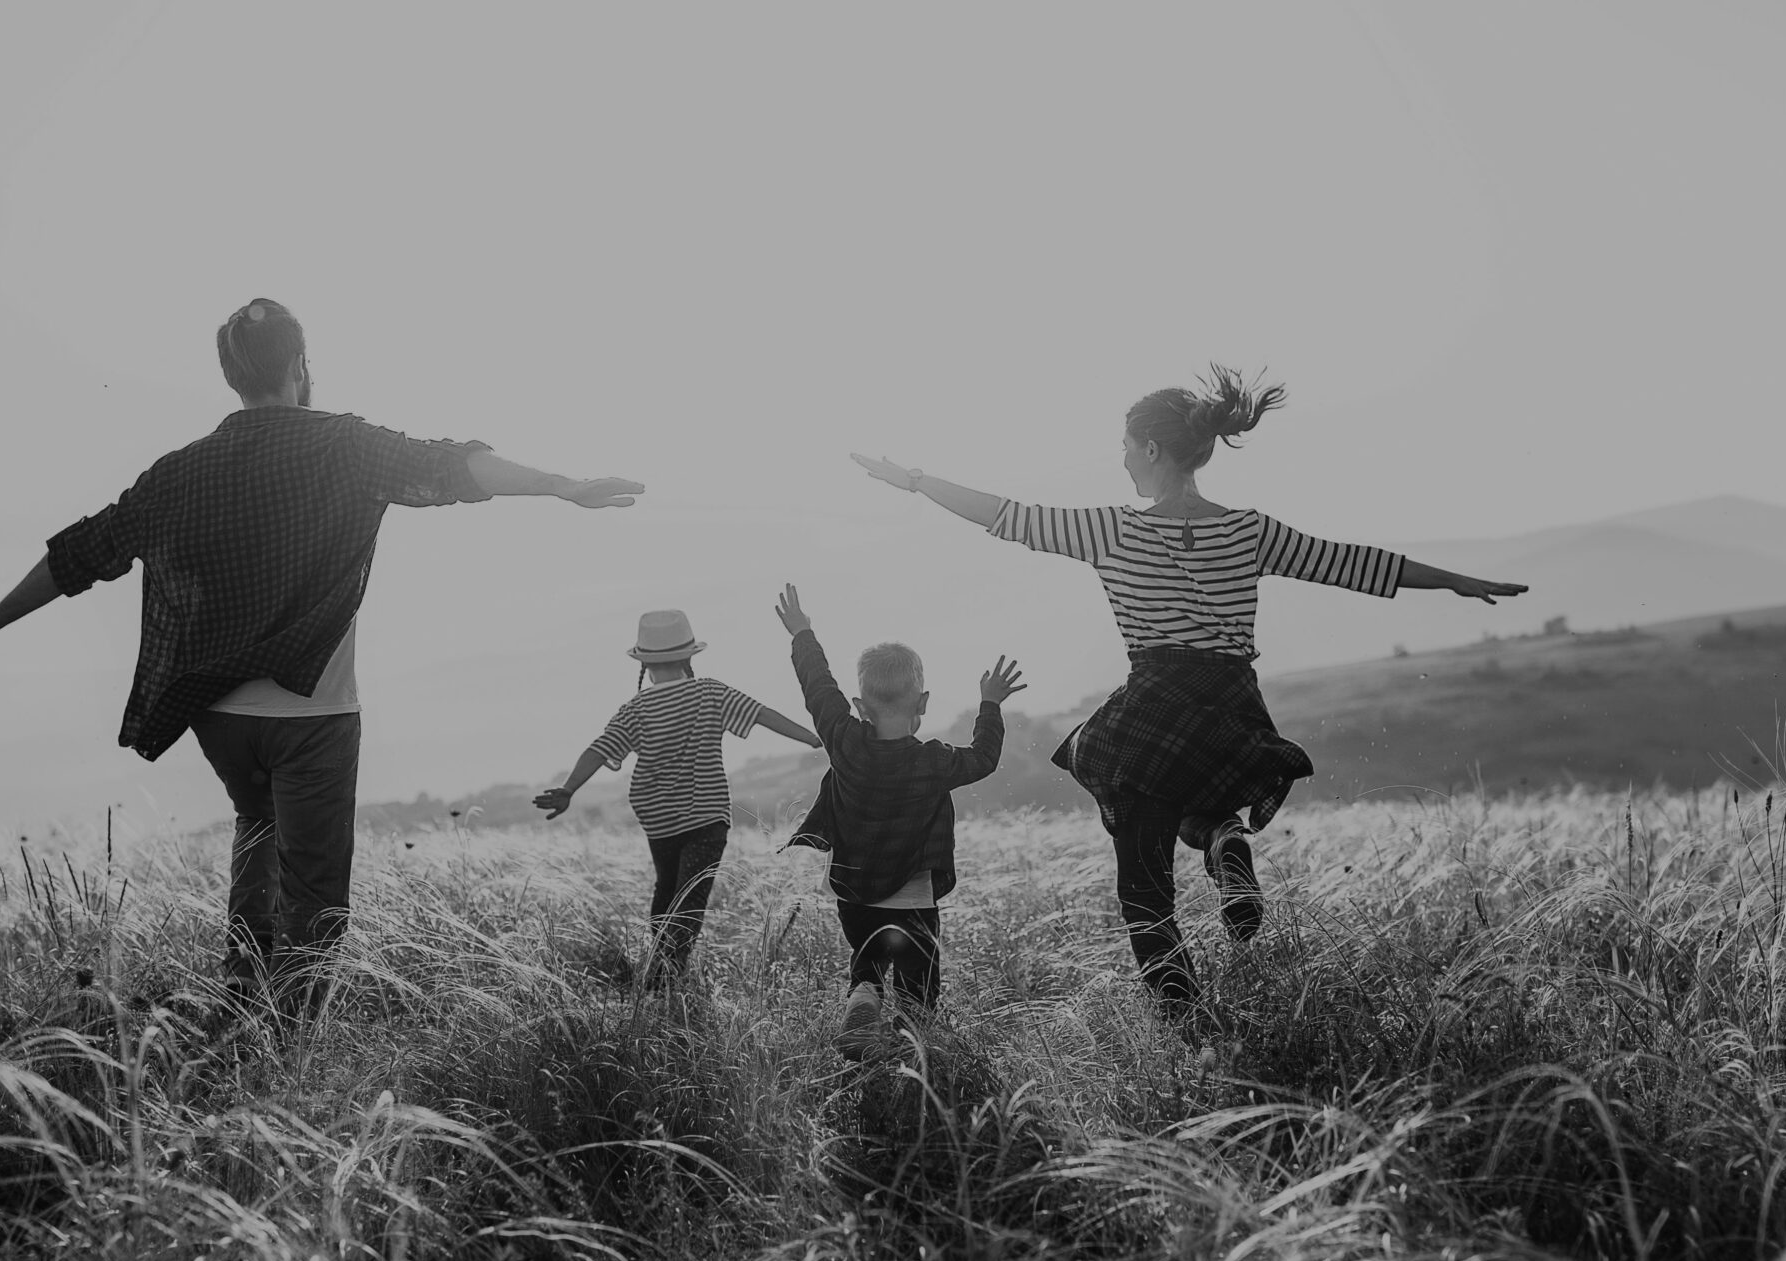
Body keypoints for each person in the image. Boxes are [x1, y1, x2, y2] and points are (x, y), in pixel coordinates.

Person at [0, 298, 644, 1018]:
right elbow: (454, 466)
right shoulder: (346, 446)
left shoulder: (180, 472)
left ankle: (242, 994)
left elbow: (86, 551)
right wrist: (562, 487)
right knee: (316, 888)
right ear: (300, 366)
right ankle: (286, 1042)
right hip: (313, 714)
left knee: (256, 828)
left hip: (217, 716)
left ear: (233, 376)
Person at [850, 364, 1525, 1024]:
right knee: (1200, 800)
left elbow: (1004, 515)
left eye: (1124, 446)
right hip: (1232, 705)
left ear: (1150, 446)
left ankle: (1187, 1024)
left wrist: (913, 481)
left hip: (1153, 705)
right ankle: (1225, 839)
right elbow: (1354, 563)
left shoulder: (1113, 529)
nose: (1120, 460)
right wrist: (1457, 582)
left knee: (1143, 890)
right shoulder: (1250, 530)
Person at [773, 583, 1020, 1060]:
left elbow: (818, 688)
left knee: (867, 960)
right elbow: (985, 758)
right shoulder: (934, 761)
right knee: (917, 990)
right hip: (912, 895)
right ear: (923, 703)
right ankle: (909, 1060)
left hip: (852, 891)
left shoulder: (844, 740)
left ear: (860, 706)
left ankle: (864, 992)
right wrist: (990, 703)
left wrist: (803, 633)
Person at [532, 609, 822, 985]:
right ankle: (666, 976)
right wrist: (813, 737)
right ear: (689, 656)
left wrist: (569, 789)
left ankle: (660, 969)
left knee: (666, 890)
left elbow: (598, 750)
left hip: (659, 820)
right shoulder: (710, 692)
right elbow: (762, 714)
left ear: (645, 663)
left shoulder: (635, 709)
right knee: (689, 897)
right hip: (706, 817)